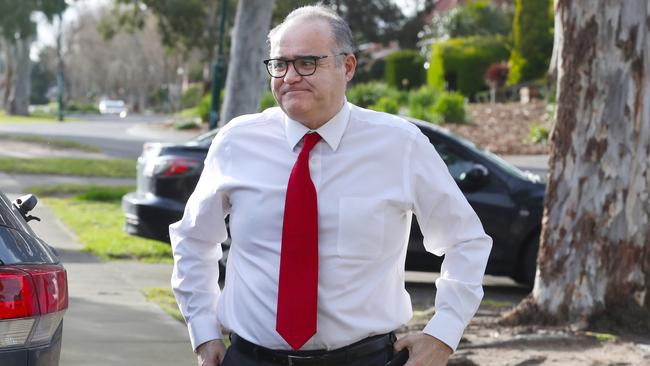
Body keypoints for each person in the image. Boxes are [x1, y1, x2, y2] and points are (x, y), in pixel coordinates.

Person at [170, 5, 492, 366]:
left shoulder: (400, 145)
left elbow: (467, 241)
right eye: (280, 64)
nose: (290, 76)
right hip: (251, 358)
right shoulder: (236, 142)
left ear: (348, 67)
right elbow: (194, 238)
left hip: (364, 359)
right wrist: (203, 330)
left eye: (307, 62)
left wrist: (443, 334)